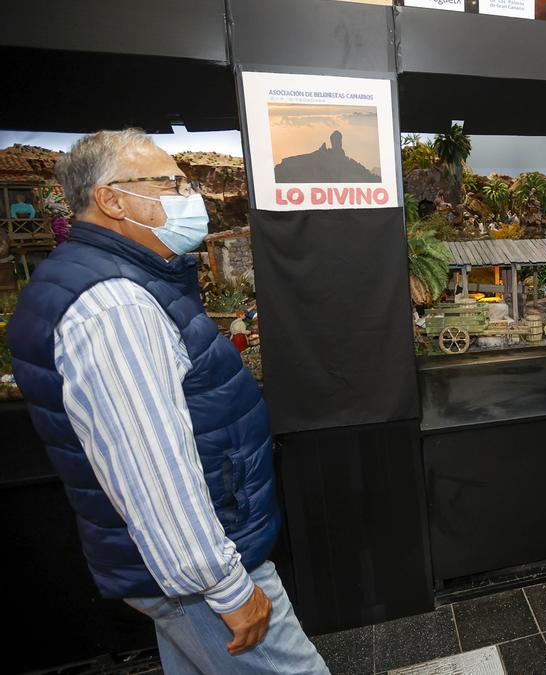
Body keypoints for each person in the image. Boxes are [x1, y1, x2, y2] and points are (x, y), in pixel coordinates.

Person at [8, 130, 328, 674]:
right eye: (170, 183)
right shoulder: (115, 307)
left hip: (180, 565)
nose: (189, 196)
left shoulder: (108, 282)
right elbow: (152, 471)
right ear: (110, 198)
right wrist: (225, 588)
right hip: (204, 569)